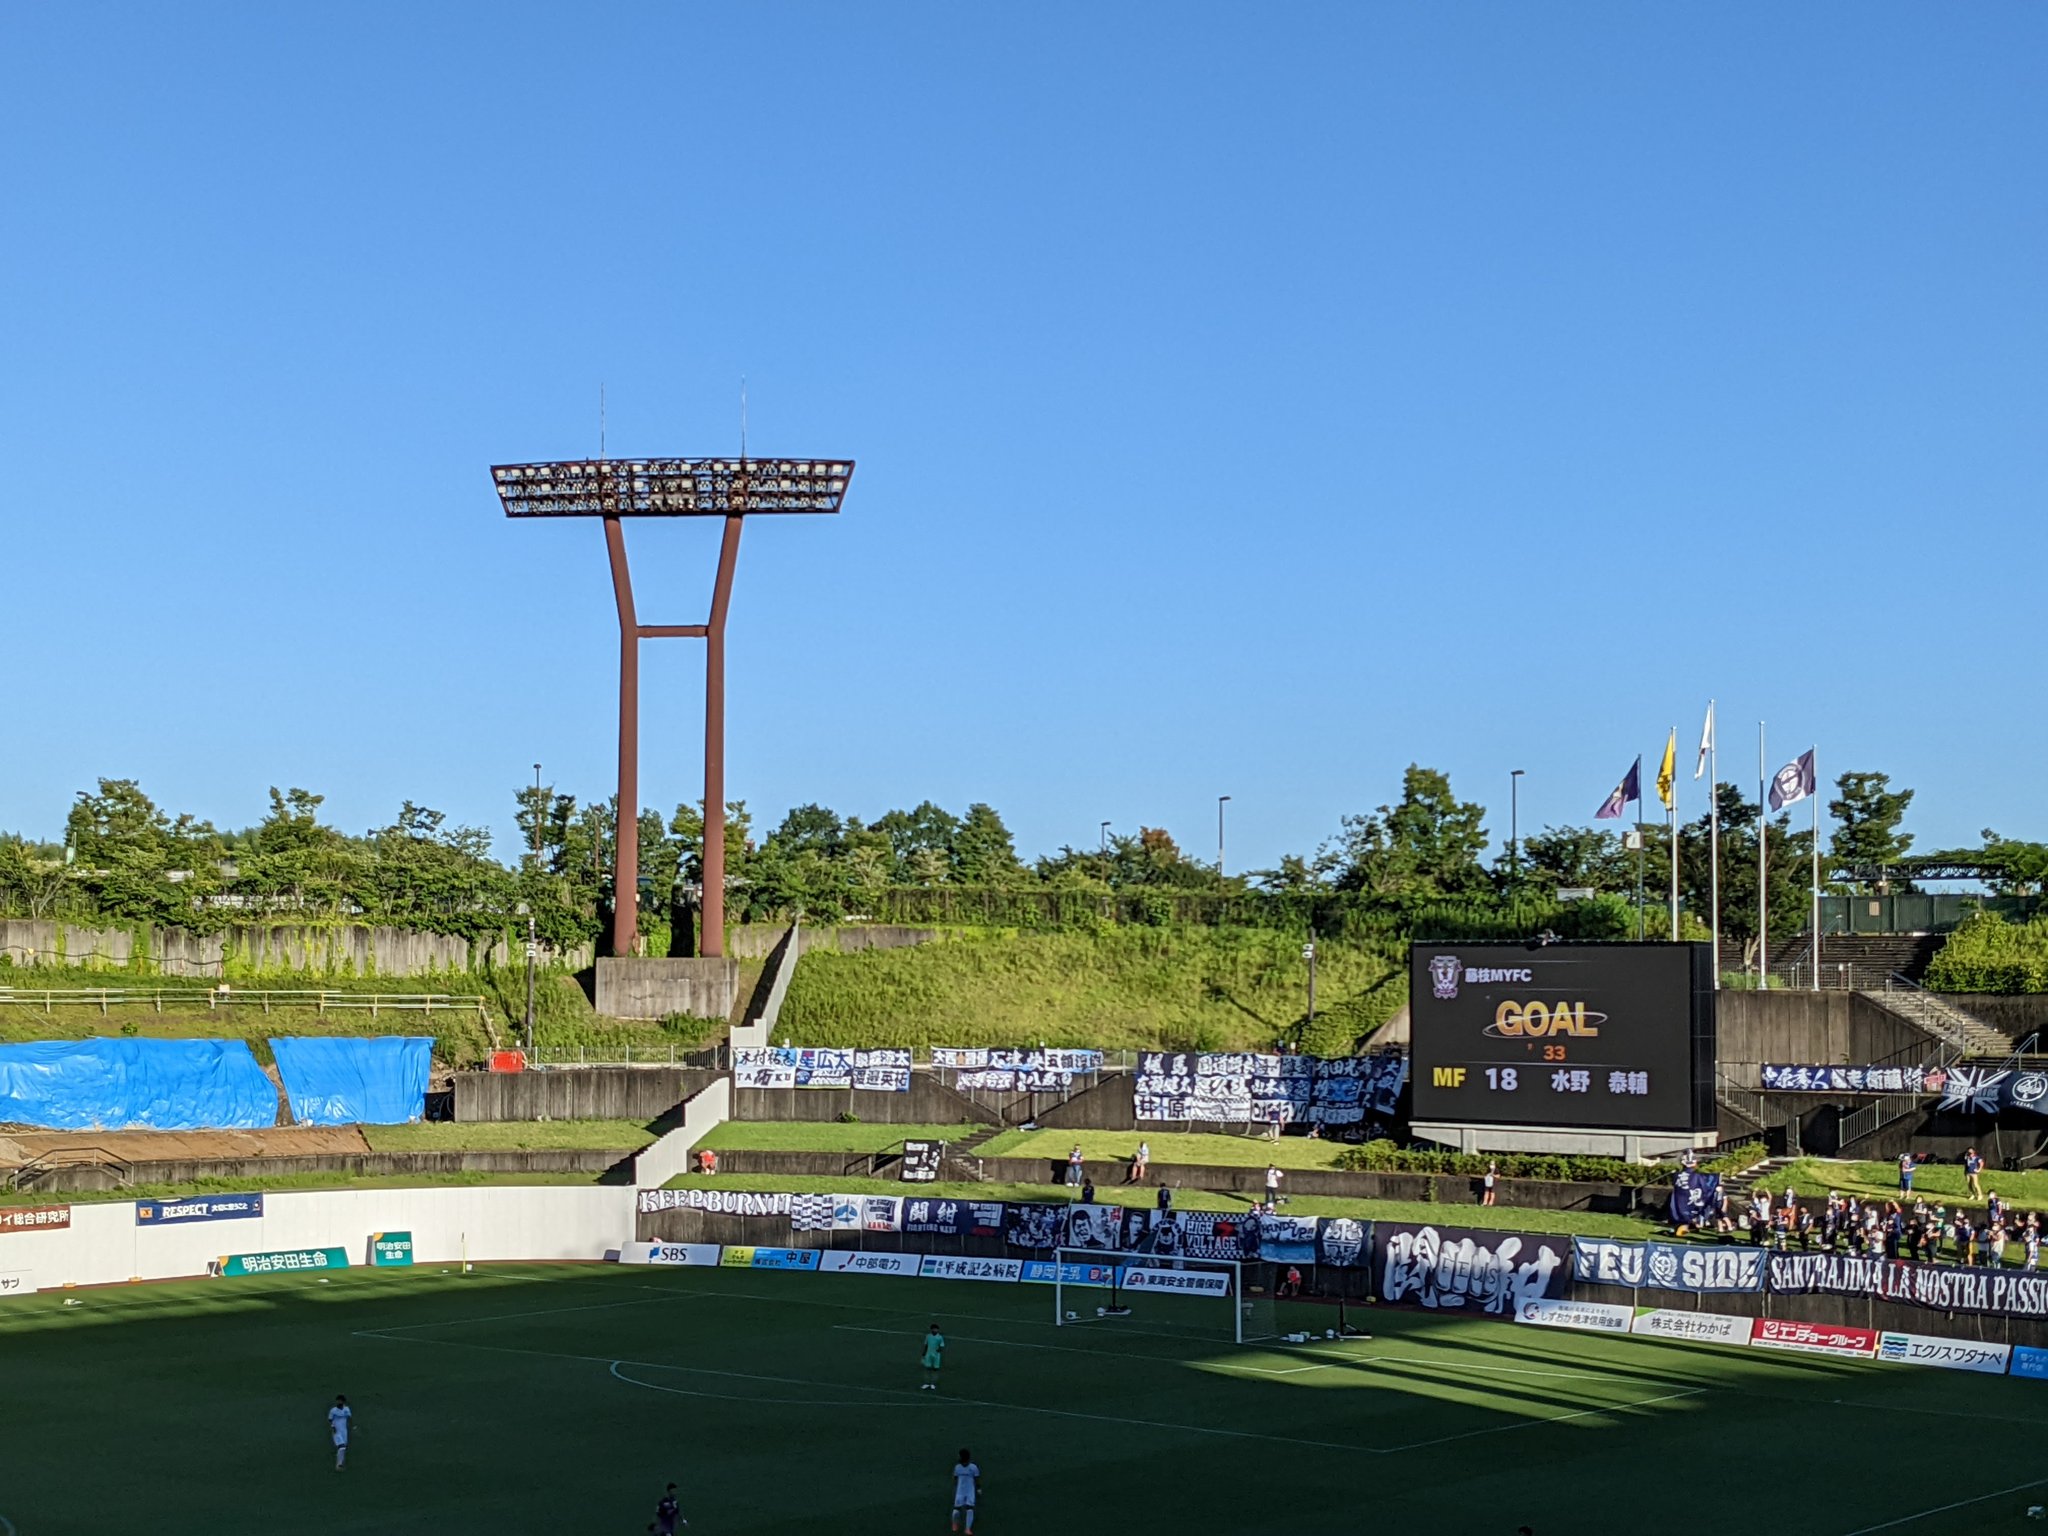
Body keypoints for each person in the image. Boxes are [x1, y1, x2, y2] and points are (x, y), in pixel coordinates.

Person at [950, 1448, 981, 1534]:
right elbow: (955, 1478)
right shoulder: (958, 1467)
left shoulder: (972, 1467)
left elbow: (976, 1478)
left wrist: (978, 1488)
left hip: (969, 1491)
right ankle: (955, 1523)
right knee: (957, 1509)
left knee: (969, 1509)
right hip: (961, 1491)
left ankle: (967, 1529)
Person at [328, 1394, 352, 1472]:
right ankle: (339, 1465)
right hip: (336, 1431)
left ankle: (340, 1463)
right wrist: (333, 1426)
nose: (339, 1402)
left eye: (340, 1400)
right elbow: (330, 1419)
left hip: (344, 1432)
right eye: (338, 1400)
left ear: (343, 1401)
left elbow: (349, 1418)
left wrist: (352, 1426)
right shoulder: (333, 1410)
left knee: (343, 1448)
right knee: (341, 1447)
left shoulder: (346, 1409)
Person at [920, 1323, 947, 1391]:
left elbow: (942, 1345)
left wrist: (939, 1350)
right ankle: (926, 1383)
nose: (935, 1330)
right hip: (928, 1355)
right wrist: (924, 1353)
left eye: (936, 1329)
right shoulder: (928, 1336)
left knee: (935, 1370)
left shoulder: (940, 1337)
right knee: (927, 1369)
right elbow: (926, 1345)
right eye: (934, 1329)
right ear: (931, 1329)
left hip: (936, 1356)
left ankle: (933, 1384)